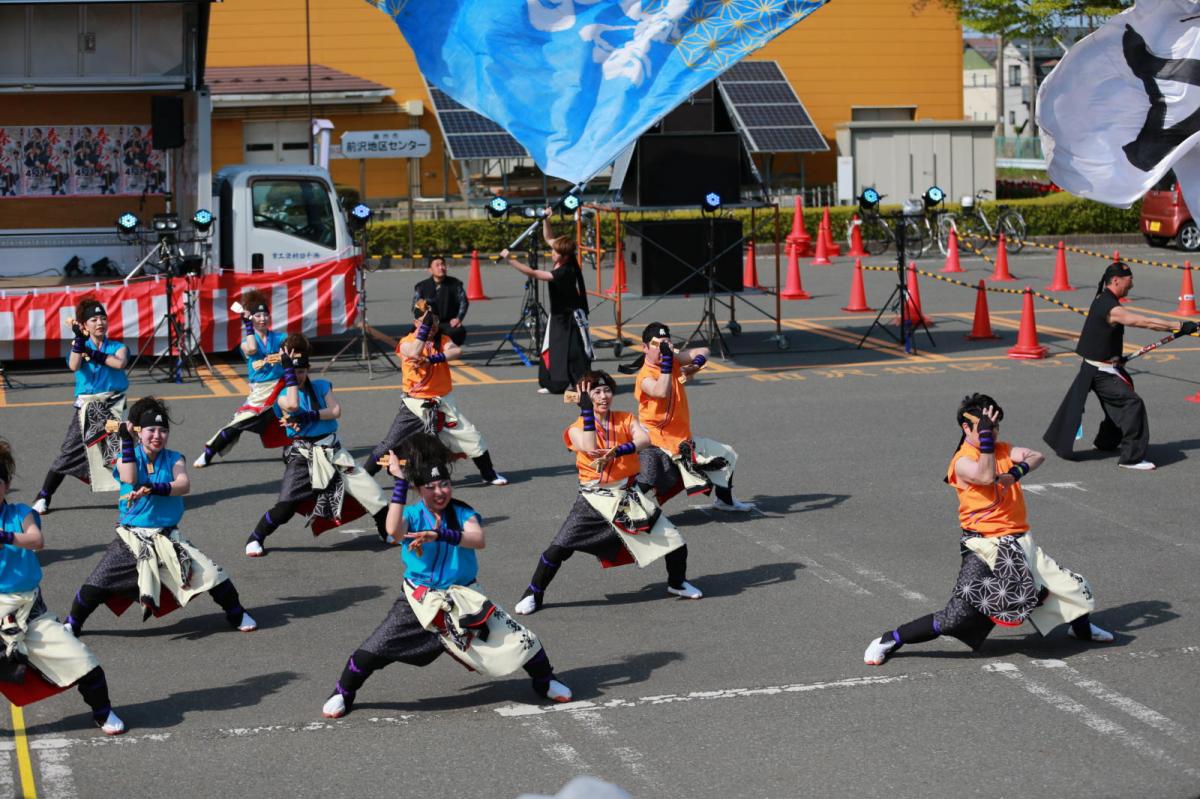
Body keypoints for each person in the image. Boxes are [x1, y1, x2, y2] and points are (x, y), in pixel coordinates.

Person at [321, 434, 571, 718]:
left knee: (520, 639)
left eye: (444, 484)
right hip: (420, 600)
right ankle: (343, 691)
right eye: (430, 487)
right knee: (373, 650)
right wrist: (399, 482)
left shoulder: (462, 512)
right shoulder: (412, 515)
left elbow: (477, 539)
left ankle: (545, 680)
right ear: (419, 489)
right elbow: (393, 530)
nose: (439, 491)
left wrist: (440, 534)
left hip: (465, 598)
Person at [864, 394, 1113, 667]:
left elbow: (1037, 456)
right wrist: (985, 441)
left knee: (1071, 587)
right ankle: (891, 638)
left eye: (994, 427)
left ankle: (1082, 629)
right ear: (966, 427)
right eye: (985, 428)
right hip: (983, 548)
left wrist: (1014, 473)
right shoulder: (961, 461)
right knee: (955, 617)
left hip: (1019, 543)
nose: (992, 432)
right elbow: (984, 475)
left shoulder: (1003, 449)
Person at [63, 397, 257, 636]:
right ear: (139, 432)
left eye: (163, 430)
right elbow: (130, 477)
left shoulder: (175, 458)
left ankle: (237, 614)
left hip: (167, 537)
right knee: (97, 583)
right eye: (151, 430)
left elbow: (183, 484)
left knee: (212, 574)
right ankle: (73, 623)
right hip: (132, 539)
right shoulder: (127, 455)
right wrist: (126, 440)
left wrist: (154, 488)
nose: (157, 435)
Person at [514, 370, 698, 616]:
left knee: (674, 541)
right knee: (559, 549)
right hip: (593, 499)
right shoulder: (575, 428)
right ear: (584, 398)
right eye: (597, 392)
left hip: (627, 496)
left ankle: (677, 582)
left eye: (607, 390)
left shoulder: (625, 418)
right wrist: (586, 412)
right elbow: (590, 447)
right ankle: (533, 593)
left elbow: (644, 439)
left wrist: (619, 451)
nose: (603, 396)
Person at [0, 439, 125, 735]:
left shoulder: (20, 514)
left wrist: (4, 536)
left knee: (84, 662)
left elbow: (36, 540)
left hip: (29, 612)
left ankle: (102, 712)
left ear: (5, 485)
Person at [245, 334, 390, 556]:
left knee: (370, 490)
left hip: (333, 450)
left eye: (301, 371)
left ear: (308, 369)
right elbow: (293, 405)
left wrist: (311, 415)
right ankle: (256, 536)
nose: (298, 376)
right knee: (286, 506)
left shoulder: (322, 386)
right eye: (294, 372)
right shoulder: (282, 396)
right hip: (303, 456)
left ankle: (385, 529)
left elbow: (335, 411)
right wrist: (289, 372)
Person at [1044, 261, 1178, 470]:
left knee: (1118, 401)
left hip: (1102, 367)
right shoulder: (1110, 307)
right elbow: (1143, 321)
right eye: (1129, 280)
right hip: (1101, 371)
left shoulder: (1104, 298)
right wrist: (1178, 325)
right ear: (1116, 280)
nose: (1132, 285)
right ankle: (1131, 458)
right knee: (1132, 404)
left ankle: (1106, 442)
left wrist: (1116, 356)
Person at [363, 304, 507, 485]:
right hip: (415, 404)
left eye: (435, 321)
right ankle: (364, 477)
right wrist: (425, 328)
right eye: (426, 322)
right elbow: (414, 352)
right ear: (416, 323)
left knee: (471, 437)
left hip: (443, 403)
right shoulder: (406, 342)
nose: (431, 326)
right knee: (391, 443)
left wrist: (431, 359)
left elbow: (456, 351)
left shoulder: (443, 339)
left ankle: (488, 474)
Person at [634, 323, 753, 512]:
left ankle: (725, 501)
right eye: (657, 344)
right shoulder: (645, 375)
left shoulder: (673, 360)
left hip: (681, 440)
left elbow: (704, 350)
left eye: (666, 343)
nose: (663, 349)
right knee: (650, 476)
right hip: (656, 441)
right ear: (645, 348)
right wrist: (668, 360)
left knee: (726, 455)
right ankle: (623, 508)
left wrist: (694, 366)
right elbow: (660, 391)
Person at [34, 296, 129, 514]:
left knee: (117, 453)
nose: (100, 323)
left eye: (103, 318)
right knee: (69, 452)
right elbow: (74, 365)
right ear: (85, 325)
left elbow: (119, 363)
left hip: (112, 407)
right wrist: (79, 341)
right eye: (94, 320)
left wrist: (92, 353)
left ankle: (132, 495)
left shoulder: (118, 346)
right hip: (87, 409)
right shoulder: (79, 346)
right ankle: (44, 495)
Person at [194, 288, 289, 468]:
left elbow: (293, 349)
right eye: (258, 316)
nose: (263, 318)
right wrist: (247, 326)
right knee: (239, 423)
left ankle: (293, 450)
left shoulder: (280, 337)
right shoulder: (246, 342)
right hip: (261, 391)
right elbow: (252, 349)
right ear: (251, 318)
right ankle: (209, 452)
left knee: (290, 417)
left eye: (265, 315)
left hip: (281, 386)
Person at [501, 210, 592, 394]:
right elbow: (549, 237)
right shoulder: (564, 254)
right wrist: (546, 220)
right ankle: (553, 384)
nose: (552, 253)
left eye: (555, 252)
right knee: (551, 347)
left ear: (564, 256)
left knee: (573, 352)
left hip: (570, 317)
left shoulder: (565, 271)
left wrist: (510, 260)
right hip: (558, 314)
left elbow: (534, 273)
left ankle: (582, 385)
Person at [412, 254, 469, 346]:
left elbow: (464, 302)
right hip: (428, 323)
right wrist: (420, 319)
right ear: (430, 270)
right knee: (411, 334)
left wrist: (458, 318)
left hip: (447, 322)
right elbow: (415, 306)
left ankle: (446, 349)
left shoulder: (455, 284)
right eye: (437, 265)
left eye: (443, 264)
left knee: (458, 332)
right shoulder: (421, 286)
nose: (441, 267)